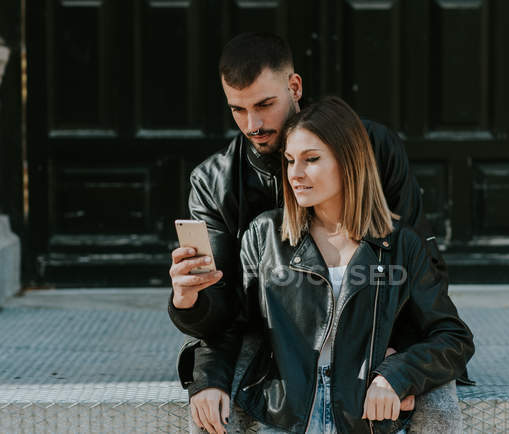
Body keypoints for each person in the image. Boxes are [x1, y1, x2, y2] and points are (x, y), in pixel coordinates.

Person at [167, 33, 458, 432]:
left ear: (294, 86)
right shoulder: (215, 183)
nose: (253, 124)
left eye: (265, 105)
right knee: (208, 410)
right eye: (238, 109)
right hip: (267, 332)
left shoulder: (374, 147)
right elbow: (226, 313)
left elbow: (418, 271)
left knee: (439, 404)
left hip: (376, 325)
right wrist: (188, 303)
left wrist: (398, 362)